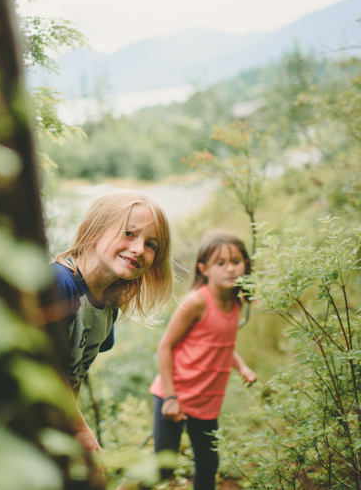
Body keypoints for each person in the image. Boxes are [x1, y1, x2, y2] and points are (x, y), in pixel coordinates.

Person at [44, 189, 173, 456]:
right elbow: (48, 371)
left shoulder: (106, 304)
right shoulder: (59, 285)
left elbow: (74, 372)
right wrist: (80, 429)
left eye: (151, 244)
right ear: (95, 229)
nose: (139, 249)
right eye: (129, 233)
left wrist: (70, 429)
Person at [149, 232, 257, 490]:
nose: (230, 268)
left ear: (246, 263)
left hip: (206, 402)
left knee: (208, 466)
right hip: (174, 395)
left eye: (236, 261)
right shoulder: (197, 301)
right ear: (204, 269)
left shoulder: (236, 301)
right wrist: (172, 397)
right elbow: (165, 347)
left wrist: (241, 366)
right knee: (162, 467)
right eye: (221, 263)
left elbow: (221, 346)